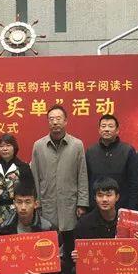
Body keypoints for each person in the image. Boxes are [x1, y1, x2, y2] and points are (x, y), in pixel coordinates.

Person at [31, 105, 88, 258]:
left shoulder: (77, 145)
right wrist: (36, 203)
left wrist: (82, 203)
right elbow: (35, 176)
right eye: (51, 119)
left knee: (70, 253)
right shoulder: (38, 146)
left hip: (70, 206)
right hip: (47, 206)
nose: (55, 122)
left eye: (58, 118)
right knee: (47, 253)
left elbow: (82, 175)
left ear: (65, 121)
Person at [86, 114, 138, 210]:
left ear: (117, 130)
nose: (106, 129)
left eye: (110, 126)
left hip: (122, 207)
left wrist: (131, 208)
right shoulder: (90, 151)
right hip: (95, 208)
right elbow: (86, 181)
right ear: (99, 130)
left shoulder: (128, 151)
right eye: (103, 126)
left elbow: (134, 183)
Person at [0, 134, 34, 229]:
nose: (5, 149)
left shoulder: (23, 167)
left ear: (14, 148)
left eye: (8, 145)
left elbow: (29, 191)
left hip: (18, 210)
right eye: (1, 146)